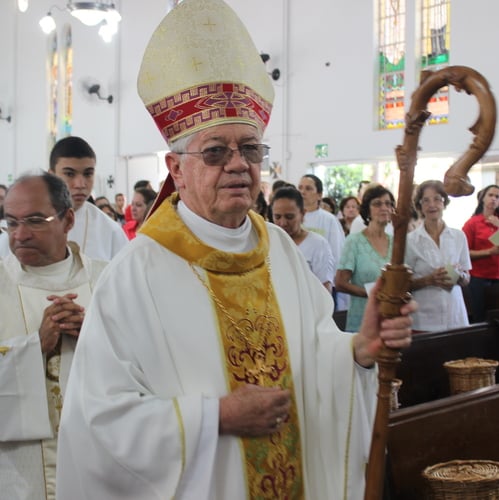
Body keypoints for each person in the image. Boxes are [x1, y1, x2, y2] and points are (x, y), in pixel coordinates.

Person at [56, 1, 414, 499]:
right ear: (176, 169)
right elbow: (97, 422)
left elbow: (315, 356)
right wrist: (215, 416)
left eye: (250, 148)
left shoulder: (280, 253)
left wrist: (358, 349)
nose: (238, 164)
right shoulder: (136, 273)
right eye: (215, 151)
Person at [0, 172, 106, 500]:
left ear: (68, 219)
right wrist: (36, 346)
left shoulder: (109, 280)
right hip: (18, 475)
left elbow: (148, 370)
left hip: (100, 466)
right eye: (10, 222)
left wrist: (95, 336)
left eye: (34, 220)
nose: (19, 235)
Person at [405, 180, 471, 332]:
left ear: (444, 203)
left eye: (437, 199)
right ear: (420, 206)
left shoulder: (458, 236)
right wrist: (429, 280)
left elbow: (467, 276)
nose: (432, 205)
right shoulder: (410, 240)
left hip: (455, 315)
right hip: (424, 318)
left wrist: (460, 277)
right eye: (425, 200)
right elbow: (403, 284)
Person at [48, 136, 128, 260]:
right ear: (51, 176)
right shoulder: (26, 225)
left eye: (88, 174)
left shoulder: (111, 232)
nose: (80, 184)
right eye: (69, 174)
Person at [335, 184, 395, 332]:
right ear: (367, 210)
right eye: (377, 204)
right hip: (363, 317)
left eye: (388, 204)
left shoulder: (396, 243)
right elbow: (340, 282)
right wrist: (371, 293)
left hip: (391, 318)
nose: (384, 208)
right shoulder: (355, 241)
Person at [272, 186, 335, 292]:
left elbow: (324, 291)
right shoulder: (266, 243)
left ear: (302, 214)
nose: (283, 223)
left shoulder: (317, 245)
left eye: (289, 217)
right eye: (277, 217)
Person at [298, 173, 346, 309]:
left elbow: (336, 252)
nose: (302, 192)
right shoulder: (293, 218)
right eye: (300, 188)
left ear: (319, 195)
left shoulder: (329, 220)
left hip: (323, 283)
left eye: (308, 188)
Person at [462, 184, 499, 322]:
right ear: (483, 198)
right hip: (478, 278)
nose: (494, 199)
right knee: (480, 318)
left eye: (497, 197)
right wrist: (489, 252)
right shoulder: (472, 223)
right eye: (490, 195)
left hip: (498, 277)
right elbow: (463, 254)